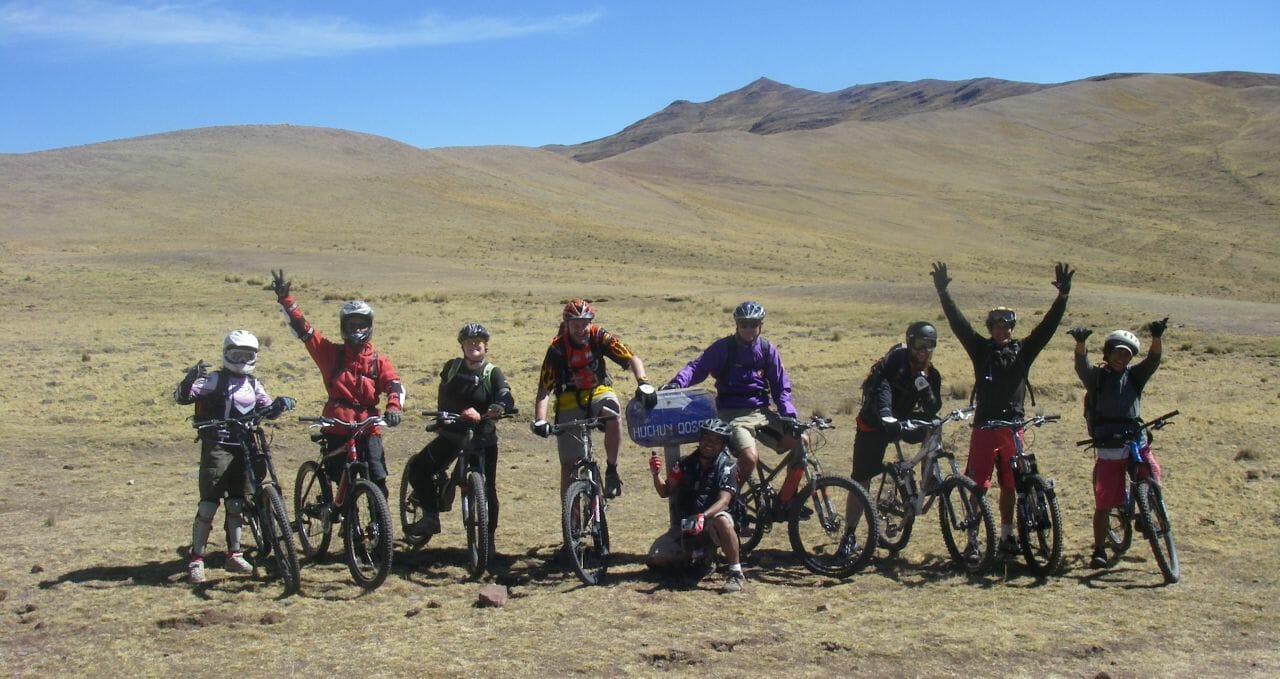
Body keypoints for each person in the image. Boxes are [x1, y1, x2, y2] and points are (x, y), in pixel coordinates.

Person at [931, 261, 1073, 556]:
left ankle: (1008, 536)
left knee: (1011, 485)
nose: (1002, 330)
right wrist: (943, 292)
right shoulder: (980, 349)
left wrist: (1062, 298)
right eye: (996, 326)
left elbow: (1046, 329)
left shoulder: (1023, 351)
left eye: (1007, 326)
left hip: (1013, 429)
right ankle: (972, 540)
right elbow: (959, 325)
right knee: (977, 486)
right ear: (990, 328)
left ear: (1012, 328)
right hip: (984, 428)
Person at [173, 330, 294, 585]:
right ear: (226, 354)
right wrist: (190, 378)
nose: (241, 360)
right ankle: (196, 559)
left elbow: (266, 408)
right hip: (217, 444)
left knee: (237, 503)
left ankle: (234, 554)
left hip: (245, 445)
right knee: (209, 503)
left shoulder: (253, 383)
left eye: (246, 355)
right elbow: (182, 397)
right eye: (236, 354)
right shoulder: (214, 379)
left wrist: (280, 405)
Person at [270, 269, 405, 496]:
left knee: (378, 481)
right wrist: (286, 299)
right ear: (344, 327)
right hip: (337, 424)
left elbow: (394, 385)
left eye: (361, 325)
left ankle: (378, 524)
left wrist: (393, 408)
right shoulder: (330, 354)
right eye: (351, 325)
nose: (356, 330)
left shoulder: (378, 361)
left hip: (368, 427)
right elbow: (306, 331)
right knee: (338, 476)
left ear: (369, 326)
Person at [404, 323, 516, 550]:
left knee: (488, 489)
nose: (474, 345)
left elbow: (505, 394)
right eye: (469, 342)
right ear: (462, 346)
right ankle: (430, 516)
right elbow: (444, 394)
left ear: (485, 346)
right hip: (452, 433)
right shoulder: (452, 368)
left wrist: (499, 407)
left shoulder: (492, 372)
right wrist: (444, 418)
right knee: (418, 467)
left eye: (478, 342)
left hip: (483, 437)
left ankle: (488, 540)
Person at [662, 301, 799, 485]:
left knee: (801, 441)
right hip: (732, 414)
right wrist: (677, 383)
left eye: (753, 324)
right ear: (737, 325)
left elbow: (780, 385)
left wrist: (789, 416)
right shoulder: (724, 348)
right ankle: (730, 501)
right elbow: (697, 368)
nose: (748, 329)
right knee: (750, 458)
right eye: (744, 324)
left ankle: (788, 500)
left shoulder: (767, 350)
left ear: (761, 325)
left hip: (761, 413)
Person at [531, 299, 654, 498]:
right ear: (567, 324)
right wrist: (540, 419)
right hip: (568, 397)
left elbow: (631, 357)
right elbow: (544, 388)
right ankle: (570, 518)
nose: (581, 329)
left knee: (613, 413)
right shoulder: (557, 348)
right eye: (575, 325)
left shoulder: (599, 336)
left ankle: (612, 470)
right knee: (569, 467)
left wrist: (643, 382)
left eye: (584, 323)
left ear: (591, 322)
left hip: (598, 390)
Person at [1070, 318, 1167, 568]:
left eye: (1126, 355)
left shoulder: (1135, 376)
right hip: (1108, 445)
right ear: (1108, 352)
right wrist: (1080, 343)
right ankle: (1100, 550)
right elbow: (1082, 367)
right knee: (1103, 502)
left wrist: (1156, 337)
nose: (1121, 359)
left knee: (1152, 473)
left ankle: (1147, 513)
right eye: (1117, 353)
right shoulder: (1097, 378)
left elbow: (1153, 361)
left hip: (1135, 439)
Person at [847, 322, 943, 536]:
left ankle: (929, 478)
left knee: (934, 426)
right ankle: (849, 534)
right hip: (874, 421)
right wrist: (886, 414)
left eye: (929, 345)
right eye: (919, 345)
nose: (923, 351)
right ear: (909, 343)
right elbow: (882, 386)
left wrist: (926, 391)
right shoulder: (894, 362)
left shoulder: (931, 374)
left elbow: (934, 407)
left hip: (902, 419)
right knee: (861, 478)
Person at [648, 419, 745, 593]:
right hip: (687, 526)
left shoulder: (729, 467)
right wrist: (656, 474)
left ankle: (735, 572)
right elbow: (665, 491)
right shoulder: (684, 464)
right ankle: (702, 557)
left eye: (716, 441)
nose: (709, 444)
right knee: (655, 559)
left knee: (722, 520)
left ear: (723, 445)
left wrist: (703, 516)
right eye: (706, 438)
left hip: (712, 523)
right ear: (700, 440)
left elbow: (724, 501)